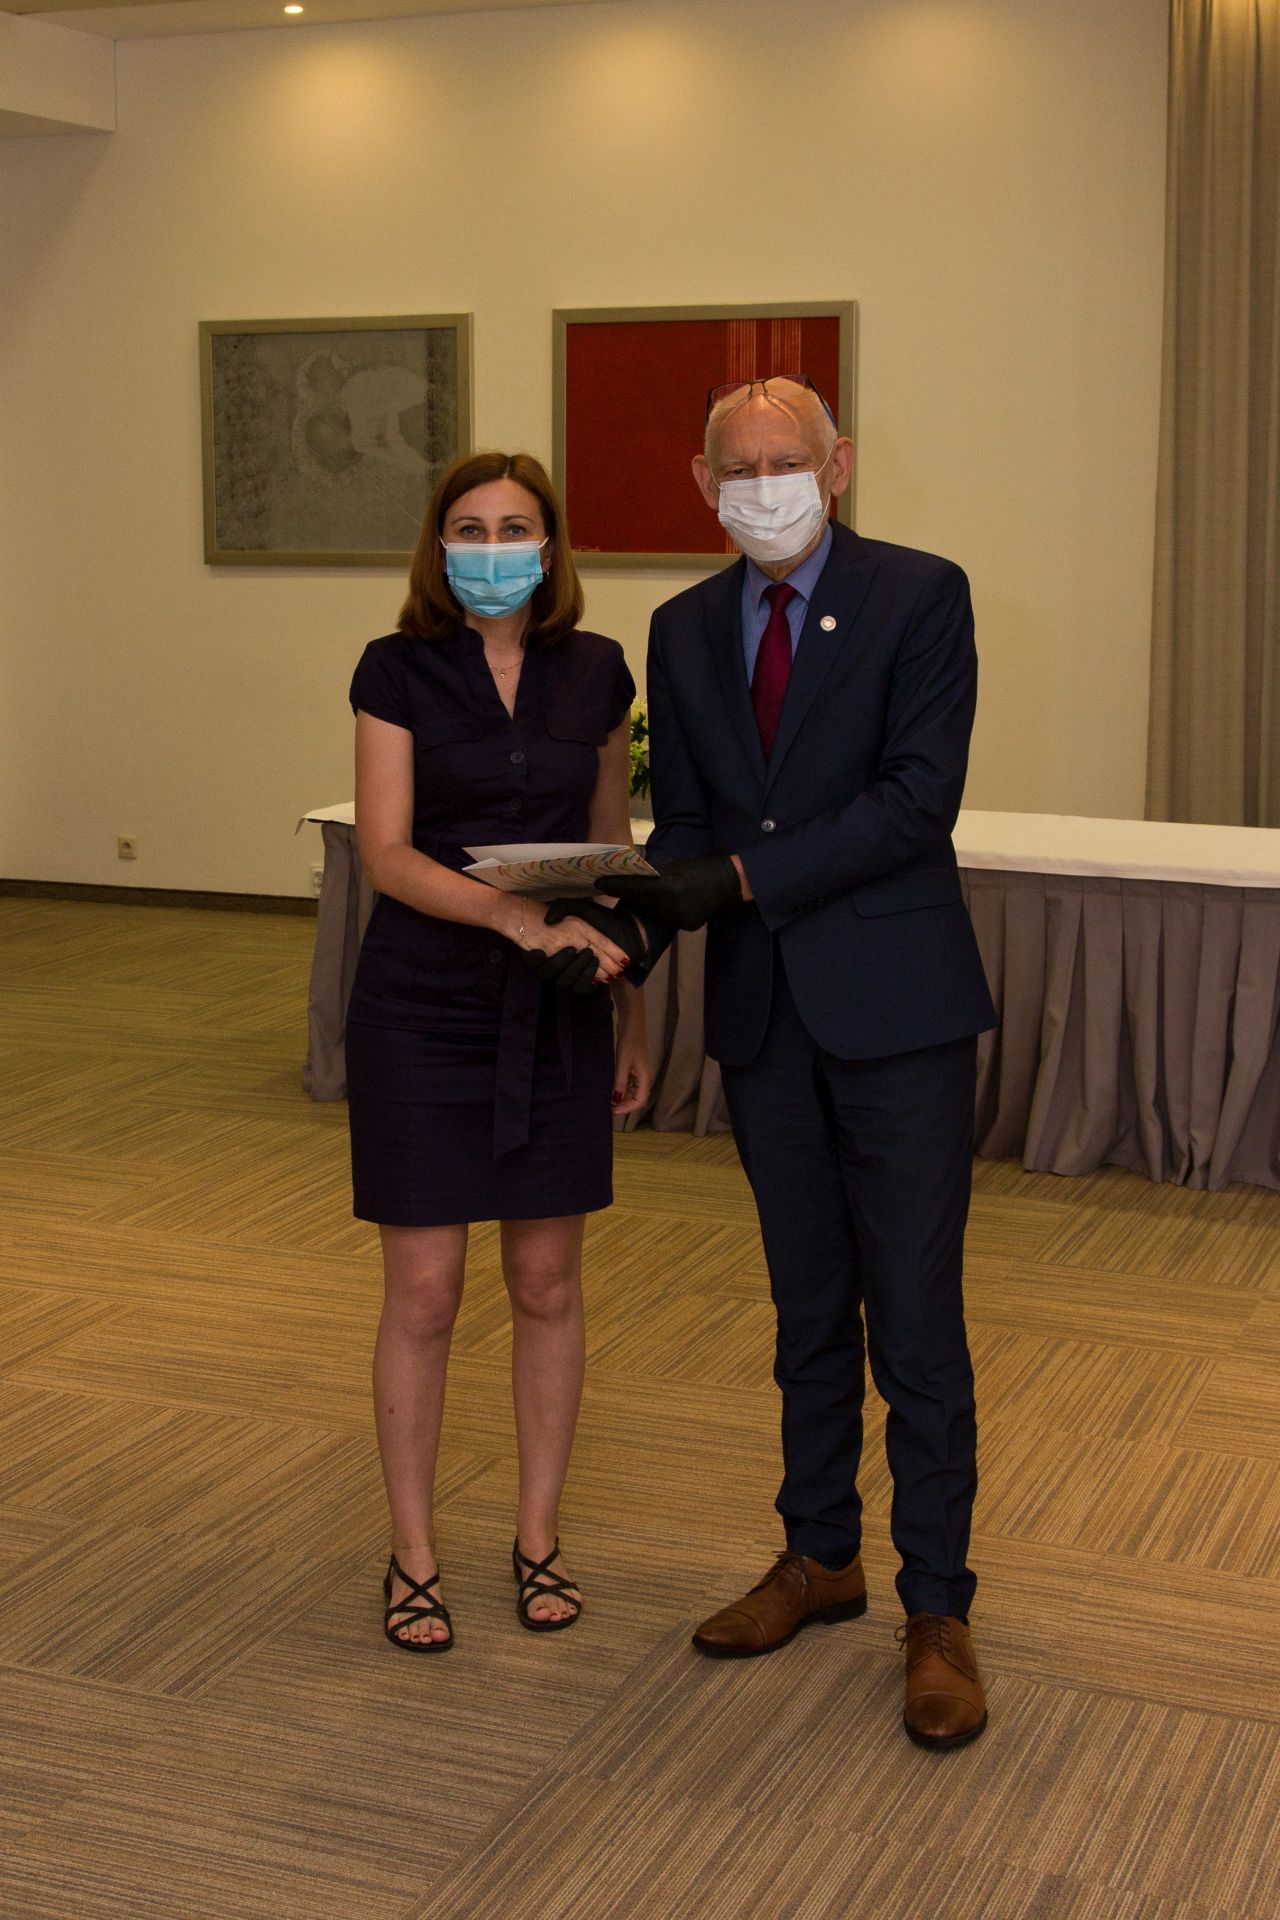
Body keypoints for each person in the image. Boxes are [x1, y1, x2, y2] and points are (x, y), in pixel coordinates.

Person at [604, 378, 996, 1747]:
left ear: (837, 466)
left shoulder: (919, 595)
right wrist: (608, 931)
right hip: (767, 1021)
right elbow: (686, 831)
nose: (763, 484)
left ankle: (936, 1606)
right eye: (739, 466)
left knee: (917, 1323)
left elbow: (914, 801)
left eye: (788, 460)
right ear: (703, 481)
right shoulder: (683, 626)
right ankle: (818, 1554)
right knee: (807, 1311)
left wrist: (735, 882)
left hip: (898, 1015)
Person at [347, 449, 650, 1653]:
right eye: (467, 529)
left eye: (513, 527)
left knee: (545, 1285)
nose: (490, 549)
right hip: (422, 1005)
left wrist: (630, 1011)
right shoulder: (395, 668)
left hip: (560, 1006)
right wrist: (515, 919)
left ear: (549, 545)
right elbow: (385, 853)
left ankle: (537, 1537)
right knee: (425, 1293)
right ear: (438, 546)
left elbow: (605, 852)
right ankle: (413, 1553)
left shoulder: (598, 670)